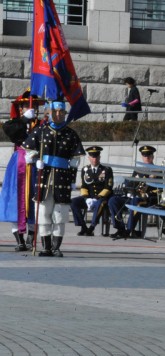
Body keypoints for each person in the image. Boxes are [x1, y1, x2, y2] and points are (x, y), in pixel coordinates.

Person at [23, 100, 85, 257]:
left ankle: (56, 247)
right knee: (43, 213)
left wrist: (72, 180)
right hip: (44, 178)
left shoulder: (71, 134)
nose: (58, 114)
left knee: (60, 214)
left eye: (61, 112)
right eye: (55, 111)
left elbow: (74, 161)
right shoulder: (40, 131)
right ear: (49, 112)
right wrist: (36, 158)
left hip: (62, 179)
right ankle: (46, 247)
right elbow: (28, 151)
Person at [0, 90, 44, 251]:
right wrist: (24, 119)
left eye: (30, 105)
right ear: (20, 108)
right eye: (25, 105)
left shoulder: (41, 124)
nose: (28, 107)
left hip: (35, 164)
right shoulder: (16, 123)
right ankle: (19, 239)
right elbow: (8, 129)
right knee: (15, 199)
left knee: (34, 198)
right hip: (19, 163)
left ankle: (31, 237)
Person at [108, 145, 158, 239]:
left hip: (146, 200)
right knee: (113, 200)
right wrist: (128, 190)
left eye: (148, 155)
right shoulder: (138, 170)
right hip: (133, 197)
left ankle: (129, 230)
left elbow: (158, 190)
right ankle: (120, 228)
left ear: (152, 156)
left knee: (136, 201)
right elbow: (131, 184)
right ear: (142, 157)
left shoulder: (157, 171)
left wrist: (146, 194)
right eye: (144, 155)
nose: (146, 157)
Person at [70, 146, 114, 236]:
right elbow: (84, 186)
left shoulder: (106, 170)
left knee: (100, 204)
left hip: (102, 198)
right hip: (89, 197)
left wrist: (97, 198)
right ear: (89, 158)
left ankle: (91, 227)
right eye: (92, 157)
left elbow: (108, 187)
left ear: (99, 157)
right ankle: (83, 226)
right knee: (73, 202)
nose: (94, 159)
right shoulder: (85, 170)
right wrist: (86, 198)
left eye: (96, 156)